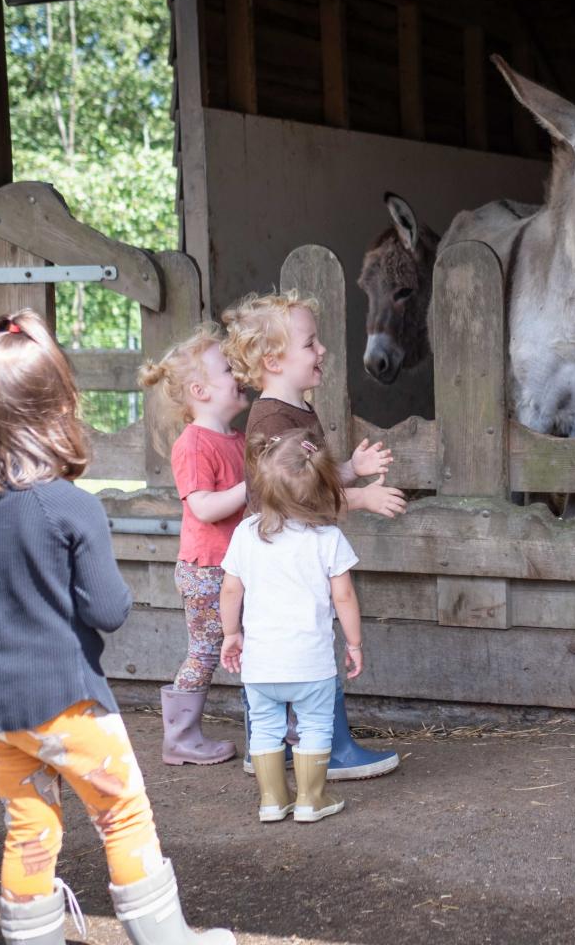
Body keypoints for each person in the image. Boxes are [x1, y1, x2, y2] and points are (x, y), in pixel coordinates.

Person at [0, 310, 233, 945]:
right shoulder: (73, 508)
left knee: (30, 824)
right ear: (59, 409)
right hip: (67, 703)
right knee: (123, 815)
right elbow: (108, 610)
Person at [221, 290, 402, 781]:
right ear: (275, 360)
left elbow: (309, 477)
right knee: (311, 642)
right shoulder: (273, 420)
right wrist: (361, 497)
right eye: (311, 344)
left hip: (291, 547)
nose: (322, 351)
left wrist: (350, 468)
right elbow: (299, 498)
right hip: (283, 553)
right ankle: (331, 749)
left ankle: (276, 746)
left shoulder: (296, 408)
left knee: (290, 643)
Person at [219, 431, 364, 822]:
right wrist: (354, 643)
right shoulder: (327, 538)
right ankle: (310, 801)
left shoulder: (246, 535)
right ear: (322, 488)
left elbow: (231, 589)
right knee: (315, 725)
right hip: (310, 664)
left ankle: (271, 801)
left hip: (261, 664)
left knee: (265, 726)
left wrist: (231, 634)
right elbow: (344, 598)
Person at [137, 323, 248, 766]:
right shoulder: (193, 444)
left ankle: (273, 727)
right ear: (200, 390)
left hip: (237, 566)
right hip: (207, 571)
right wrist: (251, 488)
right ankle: (180, 738)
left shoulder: (238, 441)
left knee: (255, 642)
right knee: (205, 650)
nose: (239, 371)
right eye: (228, 367)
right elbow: (203, 507)